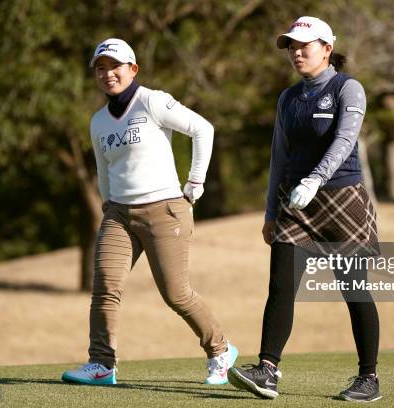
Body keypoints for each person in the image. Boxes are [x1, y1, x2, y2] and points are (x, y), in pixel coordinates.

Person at [61, 38, 237, 386]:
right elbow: (103, 169)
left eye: (115, 66)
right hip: (119, 214)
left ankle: (220, 351)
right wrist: (108, 203)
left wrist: (196, 183)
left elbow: (203, 129)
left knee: (176, 293)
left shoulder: (152, 102)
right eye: (101, 68)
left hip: (165, 209)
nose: (108, 73)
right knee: (105, 288)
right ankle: (102, 364)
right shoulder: (98, 122)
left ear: (133, 69)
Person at [227, 17, 381, 402]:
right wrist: (269, 213)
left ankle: (368, 378)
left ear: (327, 49)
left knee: (354, 290)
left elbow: (345, 140)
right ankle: (267, 370)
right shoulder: (288, 98)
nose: (296, 52)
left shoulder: (348, 88)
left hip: (342, 198)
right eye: (291, 46)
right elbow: (279, 157)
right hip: (295, 204)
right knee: (280, 286)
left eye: (304, 46)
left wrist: (315, 180)